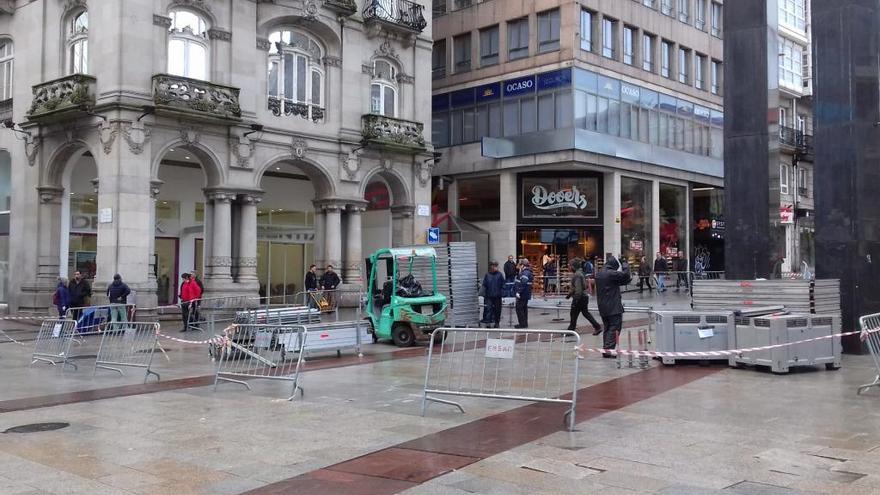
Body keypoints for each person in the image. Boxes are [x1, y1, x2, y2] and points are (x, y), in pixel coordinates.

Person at [595, 255, 632, 358]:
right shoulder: (610, 273)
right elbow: (625, 275)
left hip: (603, 306)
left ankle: (606, 348)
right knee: (615, 327)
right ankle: (608, 350)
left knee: (607, 327)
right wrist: (624, 263)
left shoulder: (600, 273)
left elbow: (619, 281)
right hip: (613, 306)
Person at [566, 258, 602, 334]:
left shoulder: (577, 275)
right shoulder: (581, 273)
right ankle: (597, 327)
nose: (569, 267)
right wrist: (570, 294)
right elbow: (584, 286)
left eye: (569, 266)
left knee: (574, 313)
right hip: (583, 297)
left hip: (580, 297)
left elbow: (578, 289)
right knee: (583, 313)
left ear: (573, 266)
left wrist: (576, 299)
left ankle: (571, 329)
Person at [480, 261, 505, 328]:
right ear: (491, 266)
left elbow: (503, 285)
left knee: (497, 310)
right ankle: (488, 322)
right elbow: (484, 285)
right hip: (489, 296)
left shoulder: (499, 275)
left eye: (495, 266)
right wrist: (483, 293)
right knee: (488, 309)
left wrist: (502, 293)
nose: (494, 267)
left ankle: (497, 322)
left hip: (497, 296)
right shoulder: (487, 275)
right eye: (493, 266)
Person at [514, 260, 533, 329]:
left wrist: (518, 292)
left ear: (523, 265)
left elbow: (523, 282)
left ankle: (522, 324)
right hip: (526, 292)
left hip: (523, 293)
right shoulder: (527, 272)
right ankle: (524, 323)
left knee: (519, 308)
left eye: (520, 265)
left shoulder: (525, 272)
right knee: (524, 308)